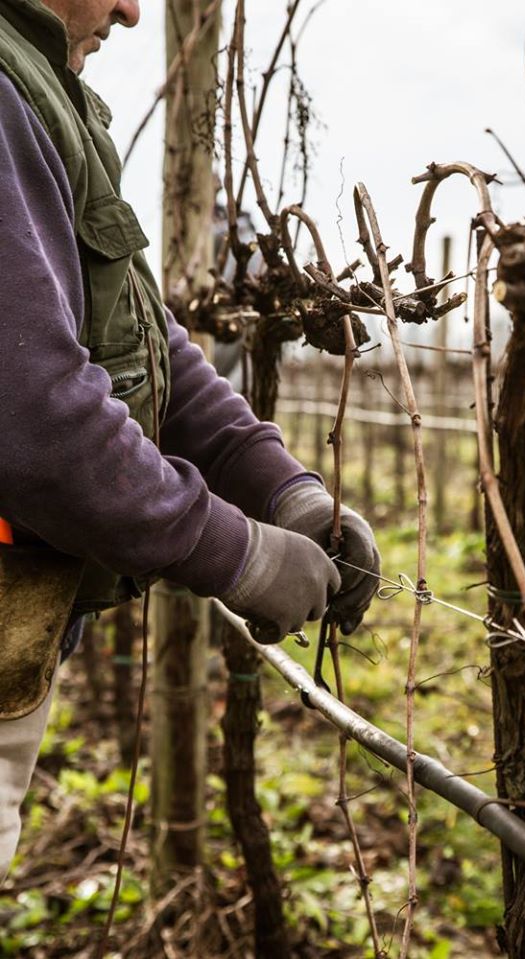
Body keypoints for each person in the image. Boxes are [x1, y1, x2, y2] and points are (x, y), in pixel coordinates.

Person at [0, 0, 380, 882]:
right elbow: (34, 415)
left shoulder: (40, 87)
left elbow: (144, 338)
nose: (133, 12)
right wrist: (233, 550)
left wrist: (282, 487)